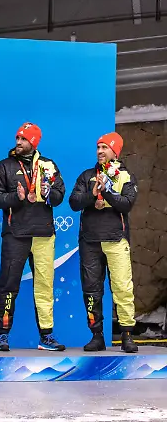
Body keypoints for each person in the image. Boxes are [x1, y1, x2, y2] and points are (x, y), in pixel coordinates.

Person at [0, 122, 66, 352]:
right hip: (16, 234)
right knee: (8, 285)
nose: (18, 142)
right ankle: (2, 335)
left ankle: (47, 336)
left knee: (44, 286)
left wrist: (47, 193)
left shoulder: (48, 166)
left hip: (43, 234)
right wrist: (17, 197)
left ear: (33, 142)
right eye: (17, 138)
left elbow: (60, 194)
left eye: (23, 139)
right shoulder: (4, 166)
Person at [69, 132, 138, 353]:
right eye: (98, 147)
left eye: (104, 147)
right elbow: (73, 202)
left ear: (115, 151)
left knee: (122, 288)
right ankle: (96, 335)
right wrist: (93, 194)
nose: (100, 151)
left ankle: (127, 335)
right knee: (91, 290)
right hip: (90, 242)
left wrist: (106, 192)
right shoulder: (87, 176)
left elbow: (126, 204)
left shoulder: (126, 176)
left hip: (116, 240)